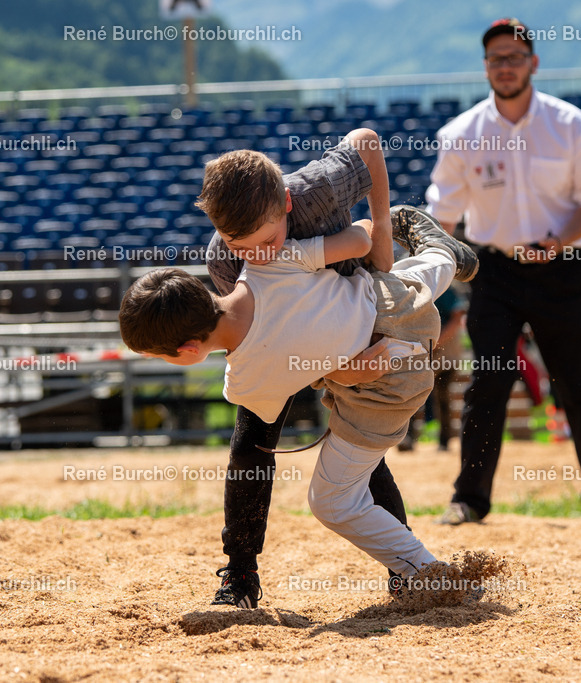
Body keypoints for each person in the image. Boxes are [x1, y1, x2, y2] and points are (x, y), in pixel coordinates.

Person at [119, 196, 478, 603]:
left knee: (332, 501)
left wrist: (335, 370)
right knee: (412, 280)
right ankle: (441, 252)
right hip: (389, 304)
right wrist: (381, 218)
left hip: (389, 382)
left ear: (186, 350)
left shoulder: (245, 383)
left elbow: (283, 381)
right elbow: (357, 242)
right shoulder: (264, 262)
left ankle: (426, 572)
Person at [426, 17, 581, 526]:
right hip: (495, 273)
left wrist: (557, 242)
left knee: (578, 388)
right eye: (496, 59)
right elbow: (443, 215)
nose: (505, 67)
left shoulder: (574, 125)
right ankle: (469, 498)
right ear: (486, 66)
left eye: (514, 58)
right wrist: (423, 277)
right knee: (486, 384)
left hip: (562, 269)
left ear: (533, 63)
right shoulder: (460, 134)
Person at [194, 132, 405, 608]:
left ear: (287, 203)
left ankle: (405, 567)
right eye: (243, 247)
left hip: (347, 308)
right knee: (252, 441)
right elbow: (265, 346)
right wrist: (323, 373)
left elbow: (366, 142)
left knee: (358, 449)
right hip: (289, 337)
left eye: (268, 241)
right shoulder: (224, 263)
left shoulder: (319, 187)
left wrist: (383, 243)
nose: (260, 255)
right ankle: (240, 573)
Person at [398, 283, 467, 452]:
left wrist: (437, 342)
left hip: (445, 350)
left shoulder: (446, 287)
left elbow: (457, 318)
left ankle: (444, 440)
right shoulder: (411, 286)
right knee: (412, 393)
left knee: (443, 396)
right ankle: (407, 438)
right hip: (421, 348)